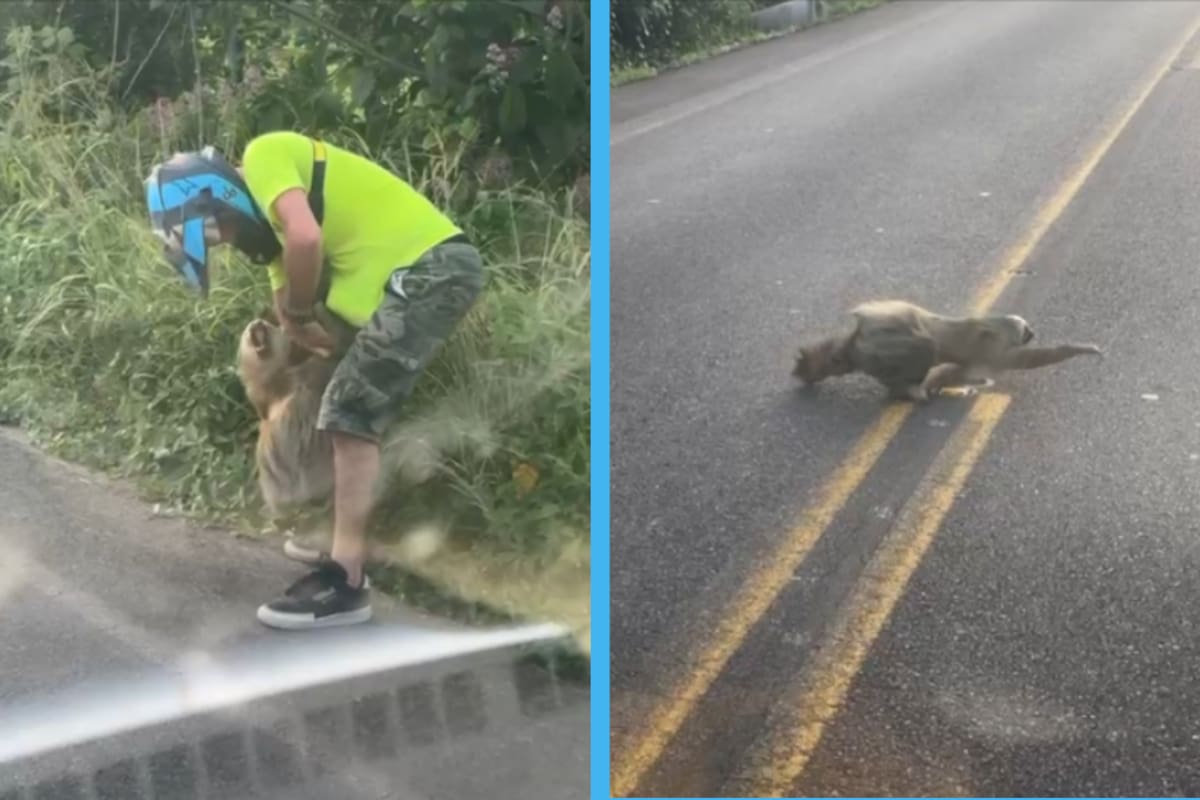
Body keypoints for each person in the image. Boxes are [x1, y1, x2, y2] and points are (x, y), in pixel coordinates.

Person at [144, 130, 485, 630]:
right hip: (401, 282)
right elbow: (288, 306)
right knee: (327, 389)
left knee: (349, 411)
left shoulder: (264, 157)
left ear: (219, 197)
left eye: (226, 233)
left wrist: (302, 311)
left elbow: (307, 238)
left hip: (431, 270)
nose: (234, 244)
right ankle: (338, 528)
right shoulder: (277, 243)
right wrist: (291, 337)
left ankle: (345, 584)